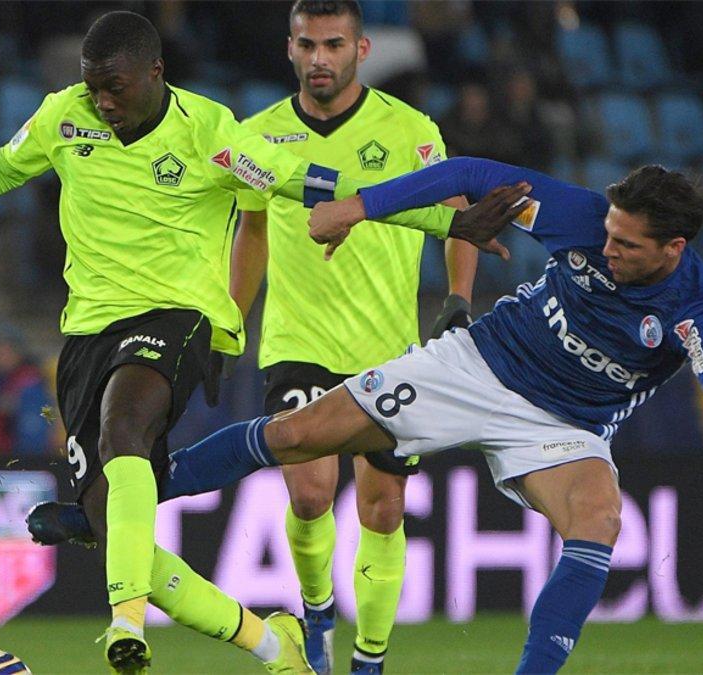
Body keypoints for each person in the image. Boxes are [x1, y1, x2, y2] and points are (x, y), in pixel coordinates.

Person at [0, 11, 506, 673]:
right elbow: (1, 168)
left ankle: (133, 627)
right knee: (124, 524)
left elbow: (319, 183)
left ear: (155, 73)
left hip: (178, 320)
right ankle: (273, 643)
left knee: (142, 435)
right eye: (93, 86)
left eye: (114, 87)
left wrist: (446, 224)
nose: (102, 100)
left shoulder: (211, 133)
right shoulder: (65, 116)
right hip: (88, 333)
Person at [157, 158, 703, 674]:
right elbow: (468, 174)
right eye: (609, 233)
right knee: (296, 435)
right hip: (476, 365)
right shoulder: (578, 215)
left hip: (565, 429)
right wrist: (358, 208)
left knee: (600, 517)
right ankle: (127, 495)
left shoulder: (698, 309)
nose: (608, 245)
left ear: (674, 248)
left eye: (626, 244)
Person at [230, 2, 475, 673]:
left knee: (384, 509)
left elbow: (460, 220)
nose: (319, 58)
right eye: (307, 44)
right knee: (309, 492)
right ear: (289, 48)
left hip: (388, 349)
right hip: (296, 338)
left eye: (333, 44)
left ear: (361, 48)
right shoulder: (260, 136)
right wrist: (229, 320)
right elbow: (250, 234)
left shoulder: (409, 130)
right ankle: (317, 613)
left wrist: (457, 301)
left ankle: (368, 659)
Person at [0, 330, 53, 456]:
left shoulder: (31, 384)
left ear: (17, 354)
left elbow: (36, 432)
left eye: (1, 353)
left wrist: (18, 407)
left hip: (18, 461)